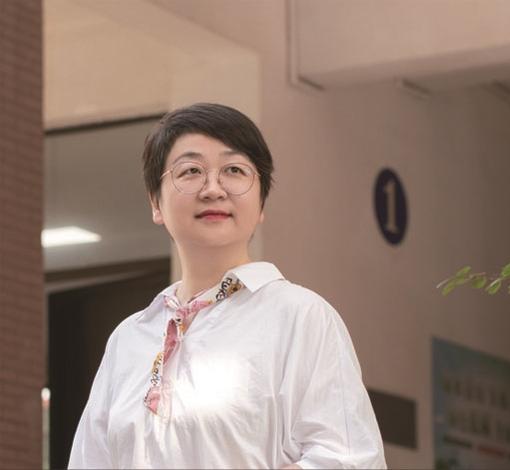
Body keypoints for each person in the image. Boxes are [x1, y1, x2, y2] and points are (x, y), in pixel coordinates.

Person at [68, 103, 387, 469]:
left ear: (261, 202)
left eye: (234, 170)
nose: (213, 189)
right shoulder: (128, 339)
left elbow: (350, 460)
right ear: (156, 203)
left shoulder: (301, 317)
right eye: (190, 171)